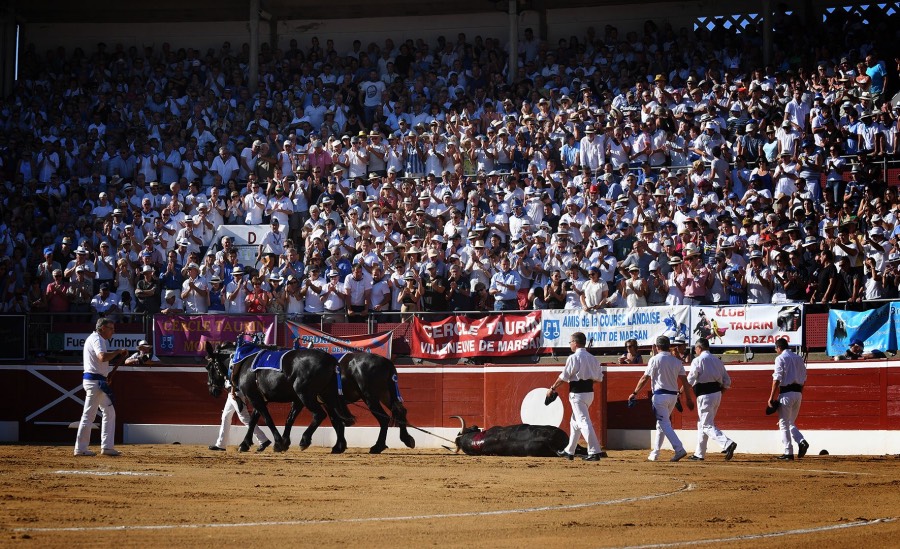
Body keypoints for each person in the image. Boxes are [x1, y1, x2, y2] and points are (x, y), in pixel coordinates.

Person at [630, 335, 692, 462]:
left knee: (664, 424)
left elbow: (645, 378)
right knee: (661, 425)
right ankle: (655, 453)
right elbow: (685, 381)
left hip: (660, 397)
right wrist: (688, 398)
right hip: (673, 397)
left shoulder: (654, 360)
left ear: (657, 347)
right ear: (668, 346)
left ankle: (679, 448)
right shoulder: (677, 361)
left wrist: (635, 392)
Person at [74, 318, 129, 456]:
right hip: (95, 383)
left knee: (109, 412)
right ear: (103, 328)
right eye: (111, 328)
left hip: (98, 382)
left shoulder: (97, 339)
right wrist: (117, 352)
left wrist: (106, 376)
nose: (113, 332)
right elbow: (102, 357)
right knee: (89, 415)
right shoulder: (97, 339)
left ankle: (107, 447)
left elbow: (100, 362)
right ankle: (80, 448)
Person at [548, 331, 604, 461]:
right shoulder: (593, 358)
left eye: (570, 342)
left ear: (575, 343)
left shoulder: (573, 358)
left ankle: (594, 451)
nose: (570, 344)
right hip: (589, 394)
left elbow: (564, 377)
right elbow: (599, 379)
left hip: (577, 394)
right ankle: (569, 450)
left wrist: (552, 388)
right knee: (574, 422)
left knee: (583, 421)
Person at [686, 338, 738, 461]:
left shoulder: (697, 360)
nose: (695, 351)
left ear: (699, 348)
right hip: (716, 394)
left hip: (704, 395)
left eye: (695, 348)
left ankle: (727, 443)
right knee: (702, 423)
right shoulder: (717, 361)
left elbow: (690, 379)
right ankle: (699, 453)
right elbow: (727, 381)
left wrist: (681, 392)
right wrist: (718, 393)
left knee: (706, 425)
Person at [768, 337, 809, 461]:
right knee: (790, 422)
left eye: (776, 348)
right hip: (798, 393)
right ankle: (801, 441)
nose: (776, 351)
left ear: (779, 347)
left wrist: (771, 397)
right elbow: (804, 378)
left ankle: (788, 452)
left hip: (786, 393)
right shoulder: (799, 358)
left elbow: (777, 378)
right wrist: (799, 393)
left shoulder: (780, 358)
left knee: (784, 424)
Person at [209, 387, 271, 453]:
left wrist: (232, 392)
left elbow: (233, 381)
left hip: (236, 394)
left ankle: (263, 440)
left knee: (244, 418)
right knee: (225, 417)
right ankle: (220, 444)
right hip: (231, 394)